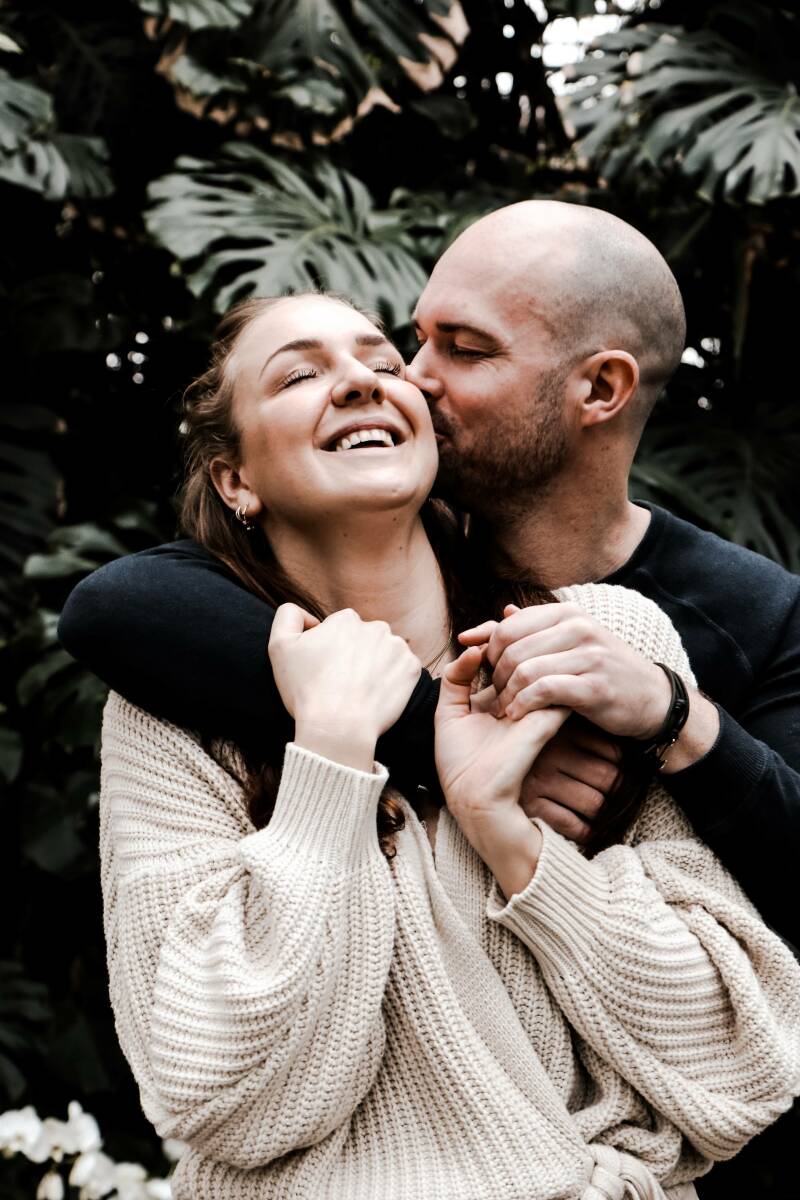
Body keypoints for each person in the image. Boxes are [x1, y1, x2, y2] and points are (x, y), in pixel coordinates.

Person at [60, 203, 800, 1191]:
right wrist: (334, 757)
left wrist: (512, 827)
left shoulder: (610, 648)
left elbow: (741, 1065)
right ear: (235, 480)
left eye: (401, 356)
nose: (384, 376)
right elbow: (222, 1100)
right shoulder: (174, 692)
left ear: (601, 389)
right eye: (300, 374)